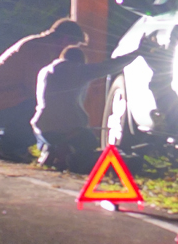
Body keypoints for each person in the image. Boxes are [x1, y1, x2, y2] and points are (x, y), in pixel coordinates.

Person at [0, 16, 85, 162]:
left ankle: (15, 147)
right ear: (64, 40)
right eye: (73, 44)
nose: (73, 50)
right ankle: (4, 145)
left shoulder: (41, 47)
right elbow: (35, 90)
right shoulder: (37, 50)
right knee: (43, 114)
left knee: (46, 112)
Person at [32, 43, 142, 174]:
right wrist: (137, 53)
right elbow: (108, 67)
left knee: (57, 137)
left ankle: (52, 149)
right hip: (66, 129)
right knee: (89, 142)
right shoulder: (76, 70)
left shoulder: (44, 71)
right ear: (80, 62)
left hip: (41, 128)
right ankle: (67, 157)